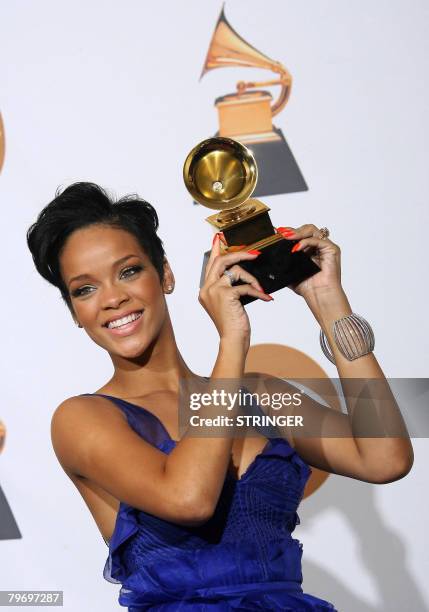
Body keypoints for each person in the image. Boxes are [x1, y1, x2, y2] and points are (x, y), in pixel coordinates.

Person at [27, 182, 413, 611]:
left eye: (129, 271)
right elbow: (188, 498)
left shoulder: (263, 395)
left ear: (166, 275)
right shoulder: (82, 419)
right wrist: (232, 341)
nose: (114, 298)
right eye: (84, 289)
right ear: (74, 313)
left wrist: (329, 302)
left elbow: (384, 458)